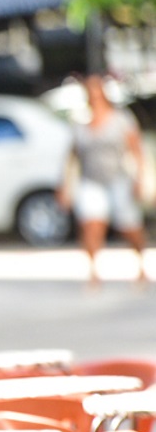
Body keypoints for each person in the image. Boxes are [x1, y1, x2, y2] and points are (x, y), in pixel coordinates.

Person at [58, 73, 149, 285]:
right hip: (91, 180)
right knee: (91, 224)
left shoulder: (120, 119)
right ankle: (93, 272)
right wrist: (65, 185)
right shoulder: (80, 121)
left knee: (128, 225)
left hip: (119, 178)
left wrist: (140, 178)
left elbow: (137, 150)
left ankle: (140, 263)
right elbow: (71, 157)